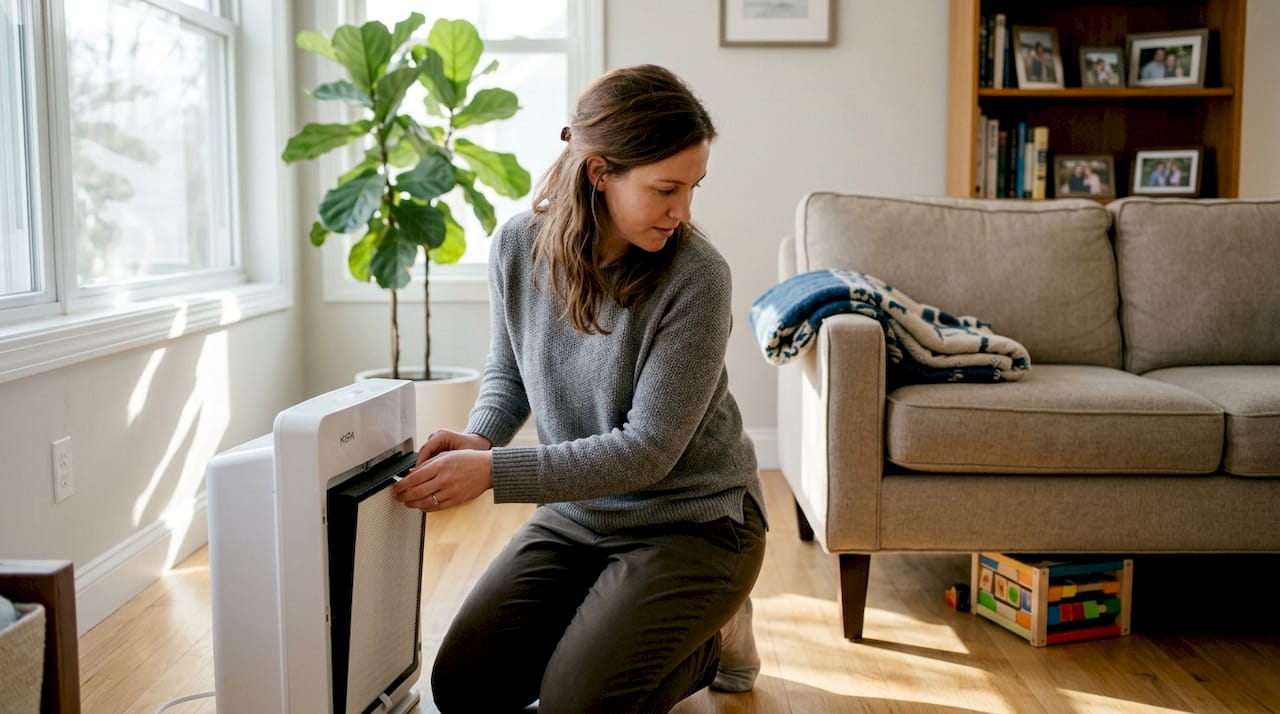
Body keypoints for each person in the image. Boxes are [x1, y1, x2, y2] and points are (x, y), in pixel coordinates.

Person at [395, 63, 768, 714]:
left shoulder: (698, 277)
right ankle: (625, 614)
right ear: (600, 175)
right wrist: (482, 436)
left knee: (576, 706)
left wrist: (491, 471)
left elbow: (647, 451)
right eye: (665, 189)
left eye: (692, 188)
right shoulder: (518, 246)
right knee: (462, 688)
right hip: (580, 515)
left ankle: (711, 640)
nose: (682, 211)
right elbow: (511, 369)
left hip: (695, 522)